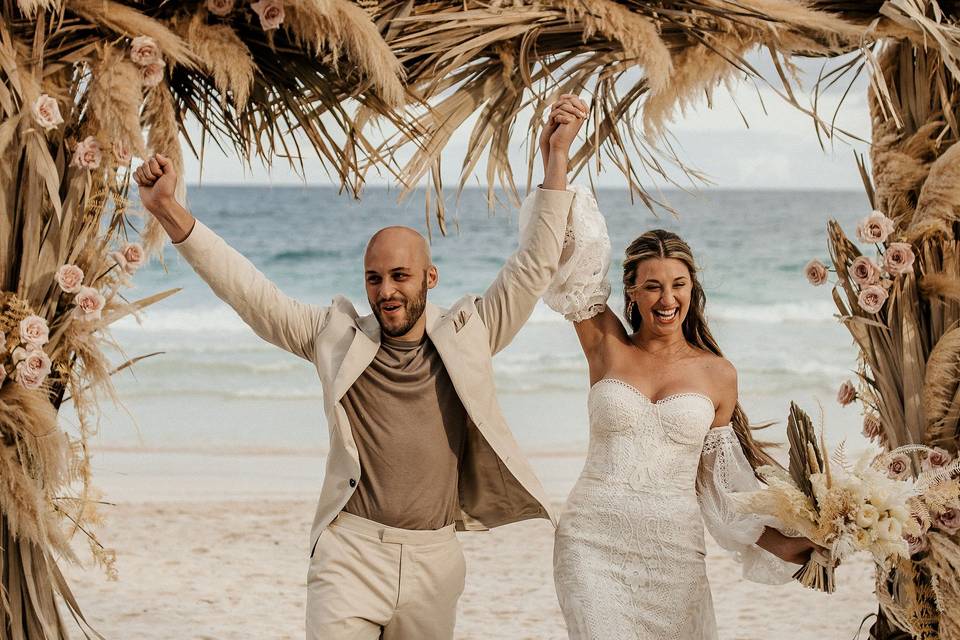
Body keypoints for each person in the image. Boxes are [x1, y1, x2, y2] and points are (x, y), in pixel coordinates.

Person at [132, 94, 589, 639]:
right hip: (349, 554)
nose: (386, 291)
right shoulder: (336, 338)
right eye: (375, 278)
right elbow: (252, 294)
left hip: (434, 558)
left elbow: (533, 266)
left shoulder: (473, 333)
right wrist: (169, 211)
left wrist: (555, 159)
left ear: (430, 278)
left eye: (400, 276)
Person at [540, 195, 820, 639]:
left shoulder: (718, 374)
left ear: (693, 289)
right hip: (590, 542)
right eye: (652, 285)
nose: (667, 298)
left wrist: (781, 543)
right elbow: (563, 253)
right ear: (631, 290)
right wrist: (556, 156)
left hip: (674, 554)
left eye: (678, 284)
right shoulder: (606, 345)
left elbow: (719, 486)